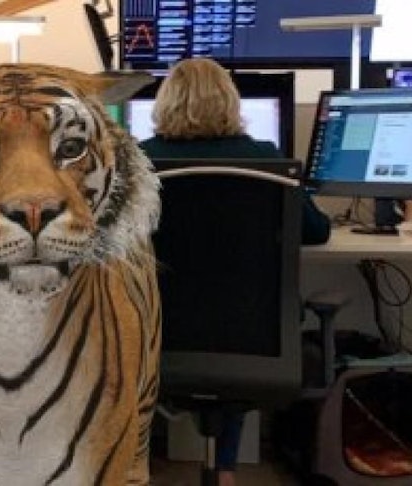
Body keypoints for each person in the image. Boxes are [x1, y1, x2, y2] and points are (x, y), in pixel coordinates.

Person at [139, 58, 331, 486]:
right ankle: (225, 469)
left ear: (164, 104)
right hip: (251, 335)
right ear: (230, 102)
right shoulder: (265, 158)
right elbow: (316, 231)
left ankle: (137, 463)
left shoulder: (139, 163)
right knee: (239, 319)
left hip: (157, 330)